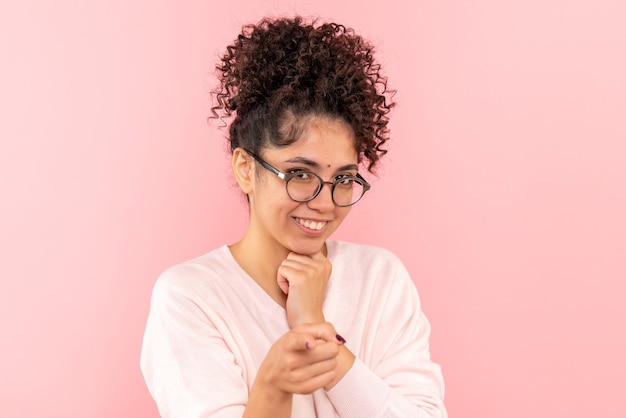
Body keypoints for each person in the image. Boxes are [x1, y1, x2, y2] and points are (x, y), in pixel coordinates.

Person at [140, 16, 447, 418]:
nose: (324, 202)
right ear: (246, 169)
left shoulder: (380, 279)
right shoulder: (191, 297)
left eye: (343, 178)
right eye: (301, 174)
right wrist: (272, 385)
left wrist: (317, 332)